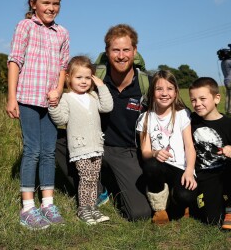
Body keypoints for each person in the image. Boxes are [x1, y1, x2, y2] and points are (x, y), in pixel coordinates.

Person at [55, 24, 152, 221]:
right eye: (115, 50)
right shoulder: (94, 77)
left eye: (126, 50)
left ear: (135, 51)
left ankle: (110, 183)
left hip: (127, 152)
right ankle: (97, 191)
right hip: (93, 143)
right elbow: (67, 84)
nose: (121, 55)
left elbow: (175, 111)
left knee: (139, 214)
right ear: (107, 52)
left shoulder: (146, 83)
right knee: (54, 142)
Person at [6, 0, 69, 230]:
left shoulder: (62, 33)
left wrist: (59, 89)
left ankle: (48, 203)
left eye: (56, 3)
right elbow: (14, 61)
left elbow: (63, 67)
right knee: (32, 150)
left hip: (50, 101)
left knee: (49, 151)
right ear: (34, 4)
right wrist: (12, 97)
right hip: (28, 99)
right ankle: (28, 208)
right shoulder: (25, 26)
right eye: (46, 2)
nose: (51, 7)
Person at [48, 56, 113, 225]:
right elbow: (60, 119)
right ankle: (83, 209)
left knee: (93, 178)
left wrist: (102, 86)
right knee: (86, 179)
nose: (83, 81)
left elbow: (107, 107)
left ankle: (93, 208)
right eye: (79, 77)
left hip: (96, 146)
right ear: (68, 77)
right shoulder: (67, 98)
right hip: (80, 148)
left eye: (87, 77)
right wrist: (53, 104)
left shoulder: (92, 96)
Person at [189, 77, 231, 231]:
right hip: (206, 177)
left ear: (217, 98)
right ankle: (216, 201)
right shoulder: (191, 121)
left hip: (227, 173)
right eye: (193, 100)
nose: (197, 104)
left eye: (202, 98)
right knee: (213, 220)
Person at [136, 70, 197, 225]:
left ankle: (177, 201)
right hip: (160, 167)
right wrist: (155, 153)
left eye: (169, 89)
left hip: (181, 167)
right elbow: (145, 152)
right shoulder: (145, 118)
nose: (164, 93)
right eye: (159, 89)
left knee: (185, 197)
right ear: (152, 92)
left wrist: (189, 170)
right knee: (150, 165)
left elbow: (189, 146)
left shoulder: (183, 114)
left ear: (176, 92)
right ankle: (159, 209)